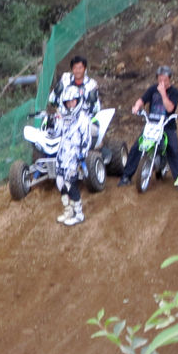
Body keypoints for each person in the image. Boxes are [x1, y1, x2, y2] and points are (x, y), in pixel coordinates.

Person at [118, 65, 178, 188]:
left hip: (167, 126)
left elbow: (170, 108)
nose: (162, 82)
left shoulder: (174, 92)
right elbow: (142, 99)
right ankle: (126, 176)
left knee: (173, 149)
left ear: (169, 79)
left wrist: (163, 93)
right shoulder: (153, 89)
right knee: (137, 147)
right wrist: (136, 106)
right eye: (160, 79)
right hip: (152, 124)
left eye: (164, 79)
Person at [55, 85, 91, 226]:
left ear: (78, 100)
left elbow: (86, 138)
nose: (70, 105)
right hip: (62, 154)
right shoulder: (63, 117)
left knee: (70, 184)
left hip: (74, 155)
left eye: (73, 101)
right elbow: (57, 132)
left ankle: (79, 214)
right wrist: (53, 123)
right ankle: (68, 210)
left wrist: (82, 154)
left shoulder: (83, 117)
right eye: (68, 102)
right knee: (60, 182)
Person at [49, 55, 101, 139]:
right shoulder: (65, 81)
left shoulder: (91, 85)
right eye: (75, 68)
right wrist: (58, 111)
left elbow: (96, 108)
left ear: (85, 69)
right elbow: (52, 98)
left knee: (94, 130)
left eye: (80, 68)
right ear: (72, 69)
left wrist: (86, 111)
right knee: (48, 126)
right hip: (63, 116)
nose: (78, 71)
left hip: (83, 118)